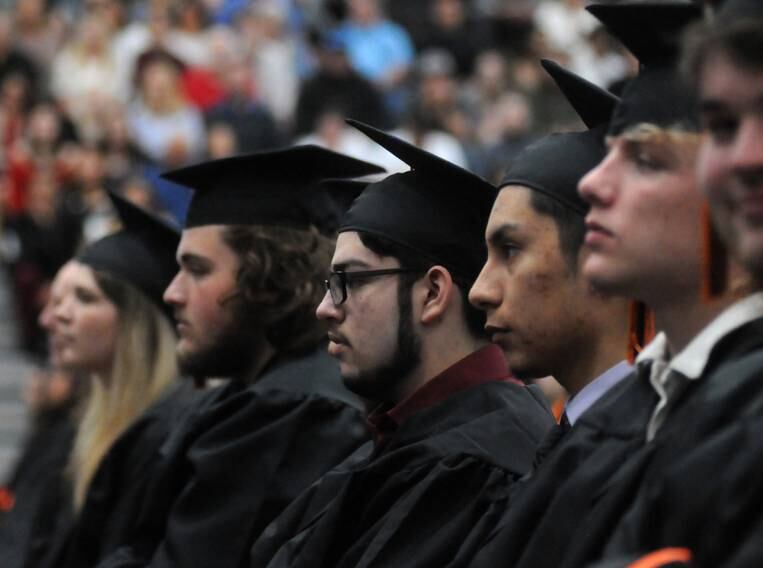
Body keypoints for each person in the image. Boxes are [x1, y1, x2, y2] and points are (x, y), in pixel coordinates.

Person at [467, 2, 763, 566]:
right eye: (725, 127)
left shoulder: (755, 406)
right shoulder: (629, 414)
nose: (593, 183)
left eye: (645, 159)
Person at [251, 119, 554, 568]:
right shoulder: (405, 437)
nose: (325, 308)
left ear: (432, 293)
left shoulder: (481, 465)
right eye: (329, 282)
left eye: (350, 281)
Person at [97, 146, 382, 568]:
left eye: (197, 270)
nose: (172, 293)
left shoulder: (291, 414)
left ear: (268, 277)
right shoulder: (269, 396)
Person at [0, 190, 193, 568]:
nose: (52, 319)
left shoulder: (169, 443)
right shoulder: (68, 426)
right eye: (56, 300)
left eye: (83, 298)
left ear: (138, 323)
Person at [469, 58, 631, 428]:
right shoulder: (570, 440)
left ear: (601, 254)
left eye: (510, 250)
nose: (479, 291)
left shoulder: (669, 453)